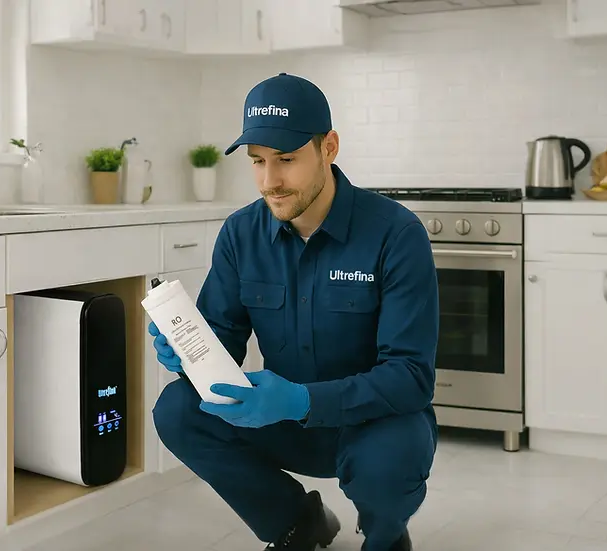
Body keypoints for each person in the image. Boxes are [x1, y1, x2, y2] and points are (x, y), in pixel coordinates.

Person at [147, 72, 439, 551]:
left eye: (286, 160)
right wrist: (187, 351)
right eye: (258, 162)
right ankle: (296, 522)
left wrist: (303, 400)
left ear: (329, 147)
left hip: (375, 424)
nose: (270, 182)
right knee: (178, 410)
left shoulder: (395, 233)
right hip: (282, 421)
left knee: (395, 455)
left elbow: (411, 376)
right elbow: (221, 337)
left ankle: (386, 533)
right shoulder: (241, 234)